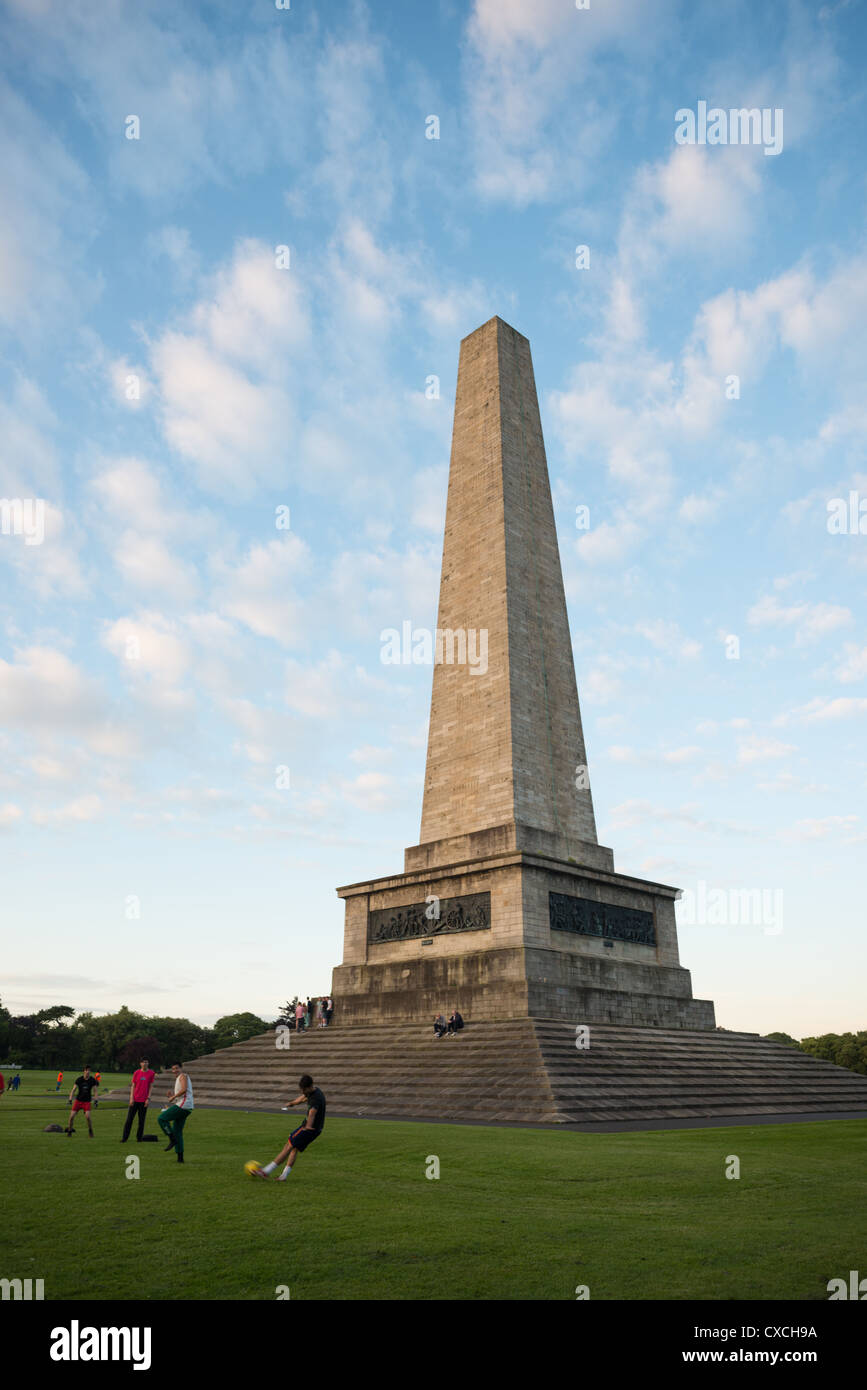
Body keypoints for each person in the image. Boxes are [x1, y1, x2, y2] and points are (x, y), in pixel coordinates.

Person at [253, 1074, 325, 1182]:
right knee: (294, 1149)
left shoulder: (315, 1099)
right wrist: (292, 1103)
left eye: (303, 1089)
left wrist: (308, 1126)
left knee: (288, 1146)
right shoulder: (314, 1091)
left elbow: (312, 1113)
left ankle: (266, 1171)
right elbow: (303, 1098)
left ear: (309, 1087)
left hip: (309, 1128)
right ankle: (284, 1176)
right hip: (316, 1129)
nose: (302, 1092)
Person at [157, 1063, 194, 1163]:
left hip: (184, 1105)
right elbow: (181, 1095)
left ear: (181, 1068)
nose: (175, 1070)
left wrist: (173, 1097)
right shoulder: (179, 1078)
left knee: (161, 1119)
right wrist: (172, 1096)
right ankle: (180, 1158)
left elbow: (184, 1090)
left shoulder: (183, 1076)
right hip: (186, 1106)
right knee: (177, 1132)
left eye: (177, 1068)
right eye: (173, 1069)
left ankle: (172, 1139)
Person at [121, 1058, 156, 1143]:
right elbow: (133, 1085)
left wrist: (148, 1098)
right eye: (143, 1062)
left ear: (148, 1063)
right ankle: (124, 1138)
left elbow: (151, 1086)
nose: (145, 1063)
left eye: (146, 1062)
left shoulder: (151, 1073)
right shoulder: (136, 1073)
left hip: (144, 1101)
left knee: (141, 1121)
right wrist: (131, 1098)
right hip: (135, 1100)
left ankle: (139, 1138)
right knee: (129, 1120)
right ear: (140, 1063)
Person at [66, 1067, 99, 1136]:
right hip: (78, 1101)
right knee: (71, 1117)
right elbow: (73, 1090)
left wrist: (96, 1101)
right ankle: (69, 1131)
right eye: (86, 1070)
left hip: (87, 1102)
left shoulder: (92, 1080)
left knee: (88, 1117)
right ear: (84, 1071)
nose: (88, 1072)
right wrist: (70, 1099)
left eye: (89, 1070)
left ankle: (90, 1130)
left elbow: (95, 1091)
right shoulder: (79, 1079)